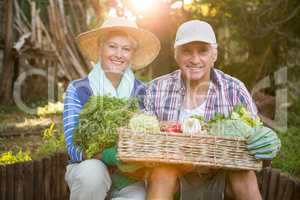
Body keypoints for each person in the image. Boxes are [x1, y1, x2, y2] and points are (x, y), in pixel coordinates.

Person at [144, 20, 281, 200]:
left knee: (243, 173)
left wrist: (267, 142)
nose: (195, 60)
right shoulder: (156, 89)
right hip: (174, 176)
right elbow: (142, 140)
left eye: (203, 51)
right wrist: (158, 129)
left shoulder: (234, 89)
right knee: (162, 173)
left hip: (222, 176)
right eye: (186, 51)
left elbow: (255, 136)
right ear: (176, 55)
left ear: (214, 55)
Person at [63, 17, 160, 200]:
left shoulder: (143, 91)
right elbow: (72, 147)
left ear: (132, 54)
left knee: (138, 196)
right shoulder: (78, 89)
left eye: (126, 49)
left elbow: (148, 139)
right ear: (100, 48)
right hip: (87, 166)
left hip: (129, 175)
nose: (119, 54)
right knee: (92, 174)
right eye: (112, 46)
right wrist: (106, 155)